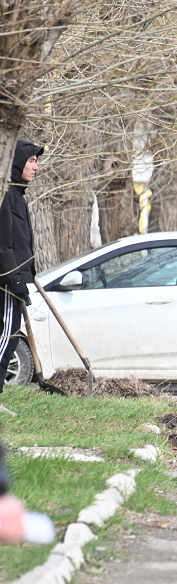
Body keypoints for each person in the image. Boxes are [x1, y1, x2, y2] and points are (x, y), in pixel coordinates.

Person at [0, 140, 42, 412]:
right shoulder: (5, 197)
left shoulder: (17, 197)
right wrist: (14, 278)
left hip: (15, 277)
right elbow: (3, 244)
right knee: (6, 336)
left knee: (10, 336)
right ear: (16, 163)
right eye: (31, 161)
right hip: (6, 281)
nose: (36, 167)